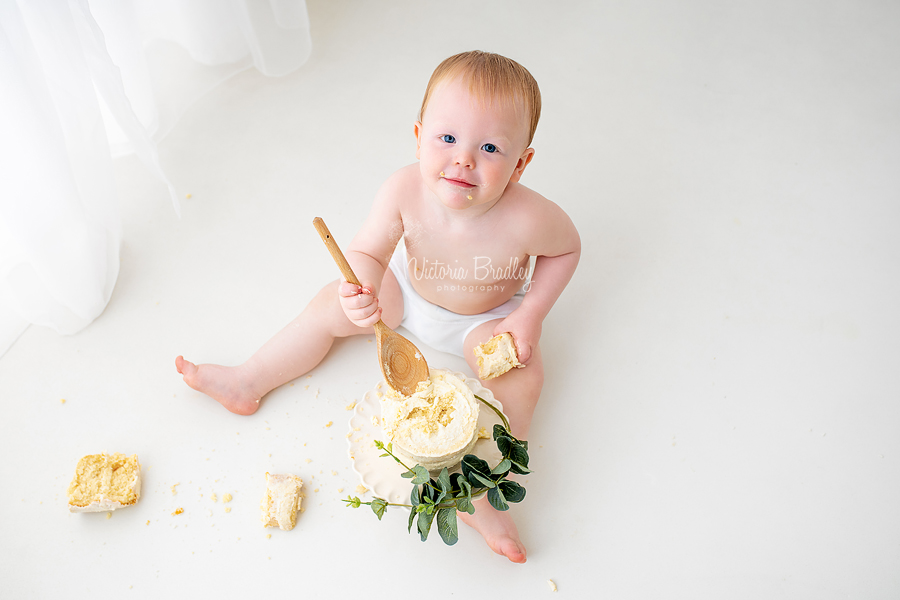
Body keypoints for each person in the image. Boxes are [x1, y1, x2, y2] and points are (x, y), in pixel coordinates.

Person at [176, 50, 580, 563]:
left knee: (523, 373)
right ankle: (248, 380)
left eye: (491, 147)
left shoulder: (531, 217)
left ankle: (484, 483)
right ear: (418, 137)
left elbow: (566, 251)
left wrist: (529, 315)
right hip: (409, 297)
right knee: (330, 304)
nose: (463, 159)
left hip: (486, 315)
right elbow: (368, 252)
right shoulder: (404, 189)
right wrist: (360, 288)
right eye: (447, 138)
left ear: (520, 164)